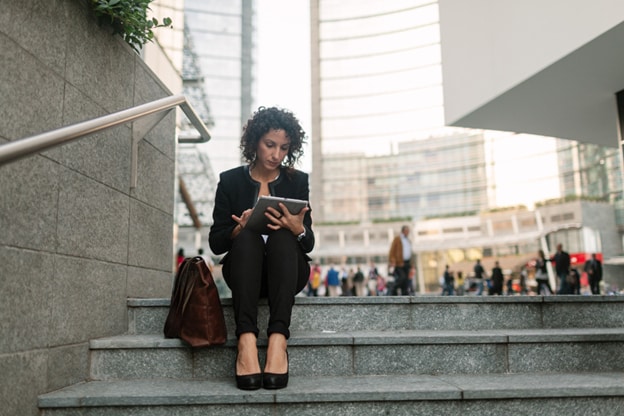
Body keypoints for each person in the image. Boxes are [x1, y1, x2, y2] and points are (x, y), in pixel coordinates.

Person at [208, 106, 313, 391]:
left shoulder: (297, 181)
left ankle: (278, 341)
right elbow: (216, 243)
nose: (276, 154)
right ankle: (246, 342)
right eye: (270, 145)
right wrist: (237, 229)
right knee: (247, 238)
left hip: (288, 272)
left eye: (283, 148)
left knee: (282, 237)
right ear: (255, 141)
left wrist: (296, 228)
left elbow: (309, 242)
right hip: (245, 273)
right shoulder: (230, 181)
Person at [388, 225, 412, 295]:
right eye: (407, 231)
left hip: (407, 262)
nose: (408, 232)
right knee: (402, 277)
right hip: (399, 263)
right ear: (403, 231)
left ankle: (405, 295)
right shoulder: (397, 239)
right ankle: (392, 290)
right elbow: (392, 251)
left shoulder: (408, 240)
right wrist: (393, 261)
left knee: (406, 281)